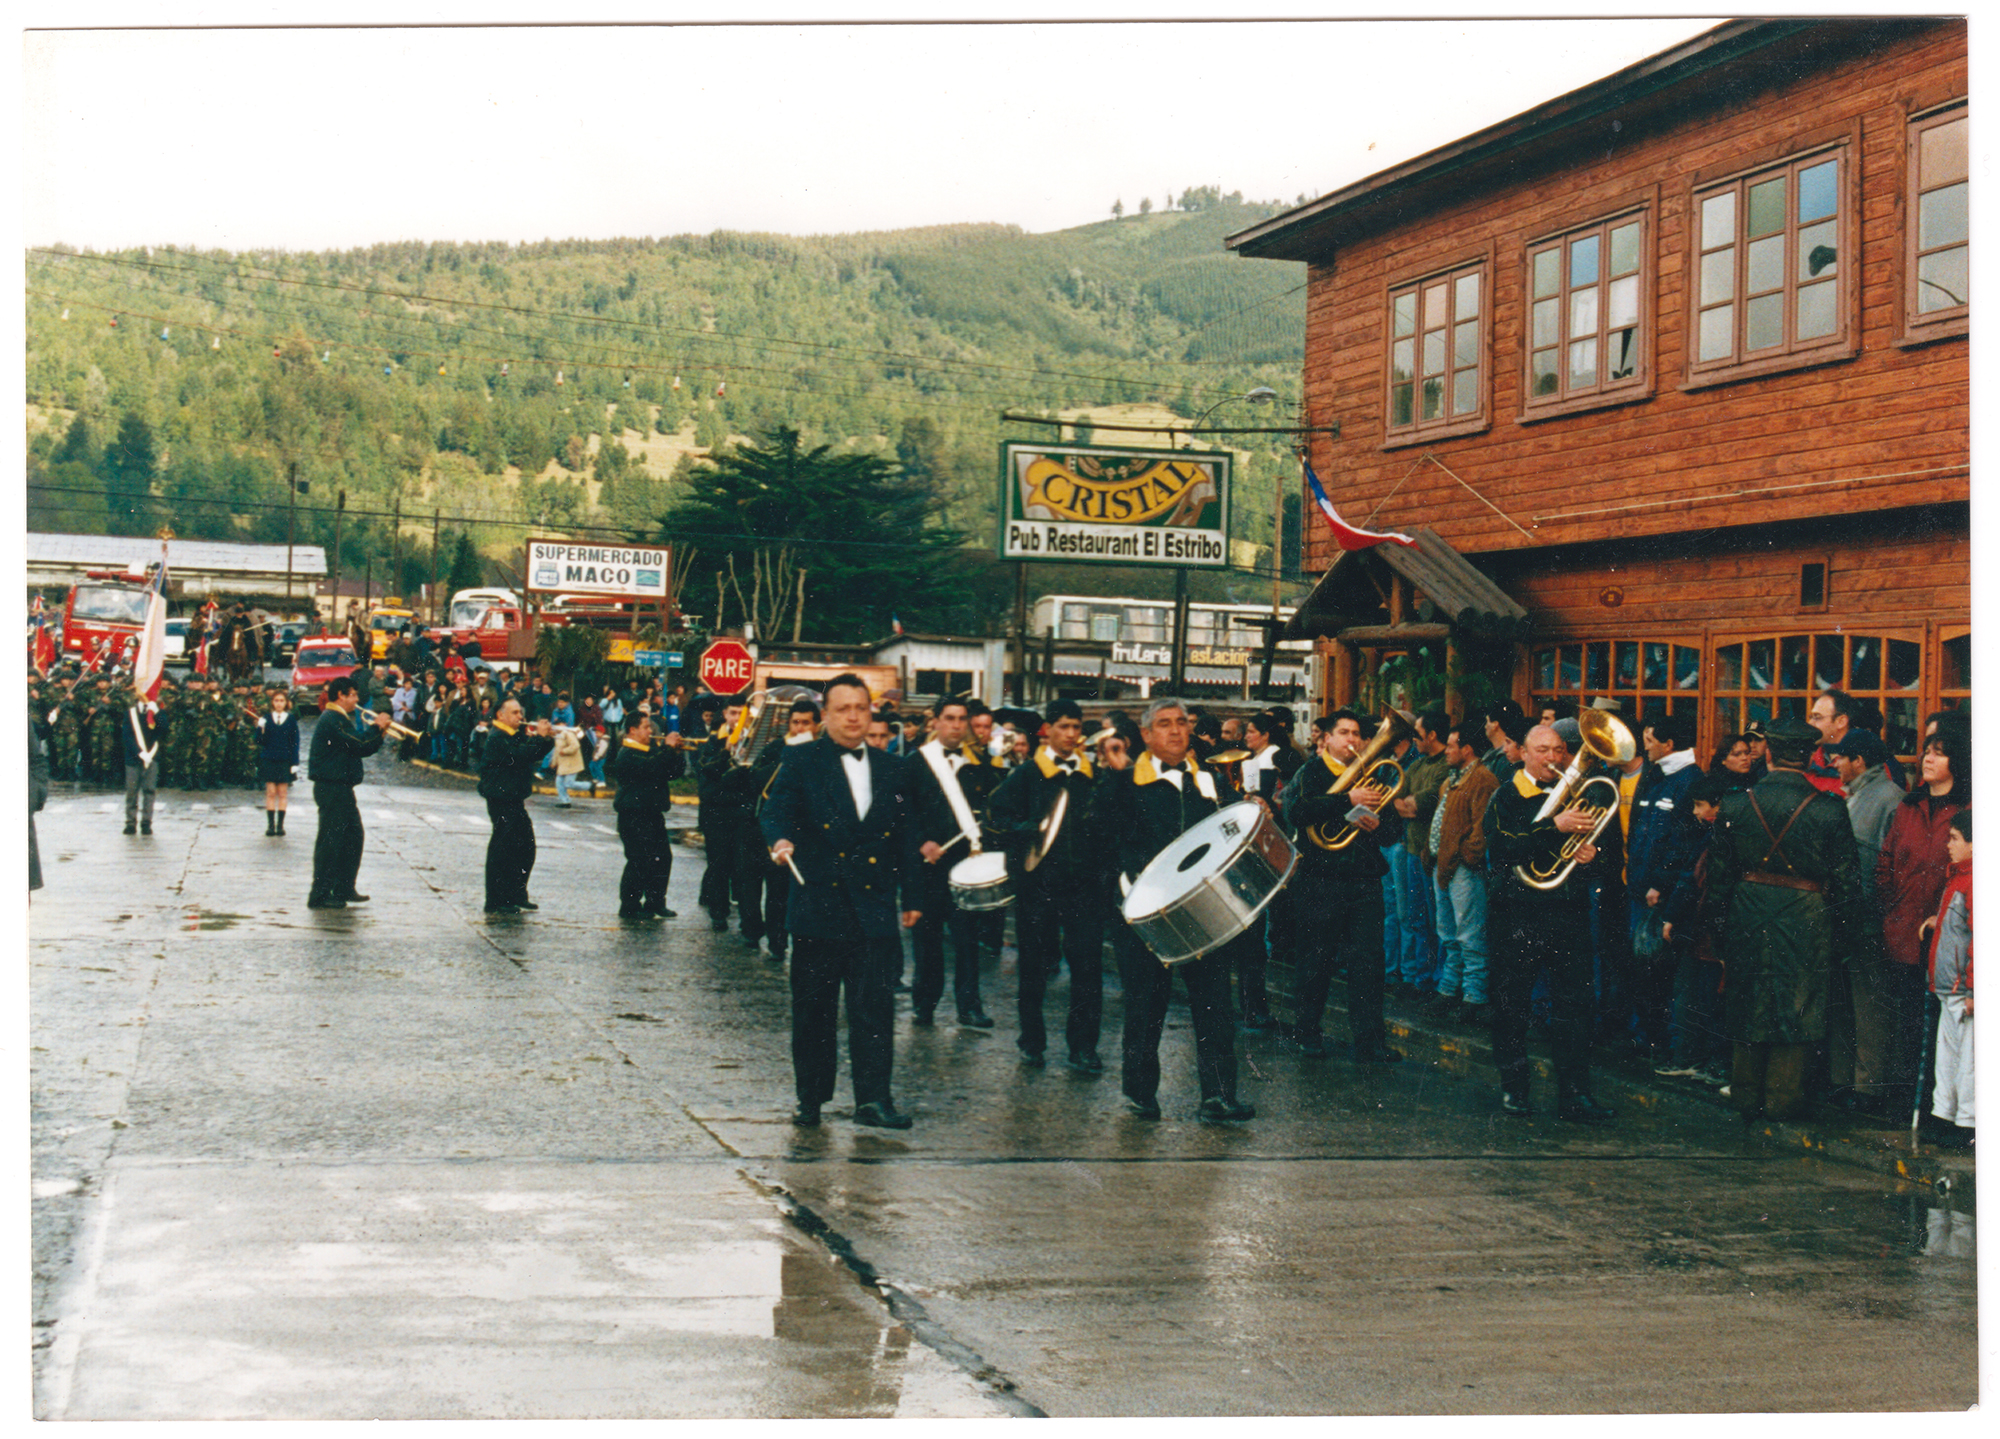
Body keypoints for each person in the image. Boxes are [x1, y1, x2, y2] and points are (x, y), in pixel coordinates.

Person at [761, 672, 923, 1129]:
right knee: (814, 1011)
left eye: (861, 708)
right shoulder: (802, 761)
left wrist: (912, 896)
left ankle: (874, 1100)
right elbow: (774, 811)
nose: (854, 717)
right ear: (826, 715)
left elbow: (908, 838)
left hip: (873, 910)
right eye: (843, 709)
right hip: (818, 906)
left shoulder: (894, 767)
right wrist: (780, 841)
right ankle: (810, 1099)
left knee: (874, 1009)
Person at [1091, 697, 1254, 1122]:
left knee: (1215, 1004)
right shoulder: (1123, 783)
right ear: (1146, 735)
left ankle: (1218, 1096)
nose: (1176, 731)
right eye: (1164, 724)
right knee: (1145, 1006)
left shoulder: (1213, 783)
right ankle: (1141, 1093)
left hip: (1205, 912)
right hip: (1144, 919)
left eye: (1182, 722)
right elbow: (1096, 843)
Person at [1705, 717, 1861, 1121]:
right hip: (1808, 915)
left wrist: (1718, 930)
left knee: (1748, 998)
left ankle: (1745, 1097)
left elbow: (1719, 876)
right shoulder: (1830, 808)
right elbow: (1847, 882)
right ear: (1810, 756)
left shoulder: (1737, 804)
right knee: (1799, 1005)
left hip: (1747, 908)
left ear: (1768, 753)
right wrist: (1844, 938)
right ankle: (1782, 1102)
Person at [1482, 722, 1619, 1122]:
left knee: (1575, 1006)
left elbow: (1611, 858)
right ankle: (1515, 1089)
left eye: (1559, 750)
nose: (1553, 758)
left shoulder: (1584, 796)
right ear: (1523, 753)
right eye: (1542, 750)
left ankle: (1575, 1095)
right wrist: (1553, 827)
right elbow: (1502, 849)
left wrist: (1594, 859)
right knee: (1512, 1006)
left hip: (1567, 912)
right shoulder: (1505, 796)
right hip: (1516, 913)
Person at [1277, 708, 1406, 1064]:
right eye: (1344, 732)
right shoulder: (1311, 772)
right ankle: (1307, 1034)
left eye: (1357, 735)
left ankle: (1370, 1042)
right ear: (1327, 739)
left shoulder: (1375, 774)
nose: (1352, 740)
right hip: (1320, 879)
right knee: (1315, 959)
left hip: (1363, 881)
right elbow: (1297, 813)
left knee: (1368, 964)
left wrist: (1374, 822)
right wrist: (1347, 800)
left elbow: (1393, 832)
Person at [987, 699, 1104, 1071]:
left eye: (1077, 727)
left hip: (1083, 887)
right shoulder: (1025, 775)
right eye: (1065, 727)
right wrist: (1029, 832)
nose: (1072, 734)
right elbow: (997, 817)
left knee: (1086, 968)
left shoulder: (1092, 774)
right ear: (1048, 731)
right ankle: (1032, 1040)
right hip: (1038, 887)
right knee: (1034, 967)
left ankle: (1083, 1047)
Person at [1875, 725, 1970, 1115]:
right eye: (1927, 751)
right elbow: (1886, 862)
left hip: (1948, 934)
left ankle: (1937, 1108)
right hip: (1903, 930)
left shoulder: (1969, 811)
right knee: (1905, 1020)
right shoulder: (1908, 806)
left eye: (1940, 753)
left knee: (1944, 1030)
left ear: (1958, 762)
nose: (1928, 759)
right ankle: (1901, 1101)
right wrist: (1892, 909)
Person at [1823, 729, 1901, 1113]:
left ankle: (1868, 1086)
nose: (1833, 763)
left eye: (1840, 757)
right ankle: (1844, 1080)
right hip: (1848, 916)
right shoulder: (1858, 796)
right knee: (1844, 1001)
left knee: (1869, 1004)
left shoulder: (1888, 799)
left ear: (1859, 761)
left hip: (1868, 918)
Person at [907, 697, 992, 1028]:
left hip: (966, 862)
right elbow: (900, 803)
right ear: (936, 723)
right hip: (928, 867)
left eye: (961, 719)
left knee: (968, 940)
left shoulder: (978, 765)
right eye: (949, 718)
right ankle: (924, 1003)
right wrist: (920, 841)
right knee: (927, 941)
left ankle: (969, 1006)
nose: (956, 725)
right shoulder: (914, 764)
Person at [740, 697, 820, 963]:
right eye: (795, 723)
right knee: (759, 884)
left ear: (816, 726)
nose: (799, 729)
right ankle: (755, 931)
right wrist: (786, 762)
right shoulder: (777, 747)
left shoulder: (820, 753)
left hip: (799, 830)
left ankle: (778, 942)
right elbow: (755, 779)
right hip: (768, 825)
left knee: (782, 891)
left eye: (805, 723)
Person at [1429, 721, 1500, 1024]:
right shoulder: (1453, 779)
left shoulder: (1482, 780)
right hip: (1444, 864)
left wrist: (1466, 858)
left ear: (1467, 749)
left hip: (1460, 867)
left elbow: (1481, 827)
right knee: (1448, 932)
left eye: (1451, 746)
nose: (1446, 751)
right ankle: (1449, 989)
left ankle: (1474, 995)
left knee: (1469, 934)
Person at [306, 677, 394, 909]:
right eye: (353, 695)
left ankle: (344, 887)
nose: (357, 700)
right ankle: (320, 894)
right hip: (332, 787)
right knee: (330, 841)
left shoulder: (340, 718)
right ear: (341, 696)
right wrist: (378, 726)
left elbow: (362, 746)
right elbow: (358, 743)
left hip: (341, 788)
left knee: (353, 836)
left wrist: (379, 732)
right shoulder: (332, 718)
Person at [478, 696, 555, 916]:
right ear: (501, 715)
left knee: (526, 846)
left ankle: (516, 893)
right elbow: (521, 755)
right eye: (515, 713)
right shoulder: (497, 737)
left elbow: (530, 753)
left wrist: (546, 739)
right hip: (501, 799)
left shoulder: (512, 735)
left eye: (520, 713)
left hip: (514, 798)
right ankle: (496, 899)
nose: (520, 717)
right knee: (503, 849)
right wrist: (540, 738)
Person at [1923, 808, 1972, 1143]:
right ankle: (1943, 1115)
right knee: (1948, 1056)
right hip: (1948, 986)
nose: (1948, 844)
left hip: (1963, 989)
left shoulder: (1975, 881)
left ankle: (1968, 1122)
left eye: (1955, 838)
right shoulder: (1957, 877)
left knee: (1969, 1061)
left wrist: (1973, 988)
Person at [609, 712, 686, 920]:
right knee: (639, 861)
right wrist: (668, 749)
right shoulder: (627, 753)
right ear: (632, 730)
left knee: (662, 858)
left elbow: (671, 772)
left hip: (652, 813)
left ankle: (655, 902)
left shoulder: (650, 751)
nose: (650, 731)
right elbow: (650, 767)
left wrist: (677, 753)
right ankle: (629, 906)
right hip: (633, 815)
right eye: (646, 727)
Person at [257, 688, 301, 836]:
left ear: (286, 703)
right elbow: (259, 741)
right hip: (269, 758)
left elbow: (295, 742)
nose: (279, 704)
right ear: (272, 703)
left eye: (282, 701)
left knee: (282, 793)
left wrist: (295, 762)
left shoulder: (291, 719)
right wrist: (260, 727)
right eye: (276, 701)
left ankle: (280, 826)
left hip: (284, 760)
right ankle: (270, 826)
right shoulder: (267, 718)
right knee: (270, 792)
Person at [122, 690, 161, 836]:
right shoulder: (130, 713)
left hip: (152, 757)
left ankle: (146, 823)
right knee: (132, 792)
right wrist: (139, 752)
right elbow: (127, 735)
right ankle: (130, 823)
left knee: (149, 791)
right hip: (134, 758)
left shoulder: (157, 712)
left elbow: (163, 729)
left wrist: (157, 713)